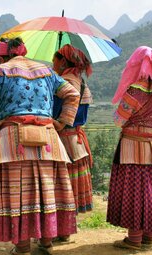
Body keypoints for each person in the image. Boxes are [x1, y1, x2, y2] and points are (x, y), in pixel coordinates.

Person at [0, 38, 80, 255]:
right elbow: (73, 94)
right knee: (46, 191)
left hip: (12, 141)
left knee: (18, 192)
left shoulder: (1, 71)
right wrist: (62, 121)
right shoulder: (47, 71)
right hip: (48, 139)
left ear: (3, 57)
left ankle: (22, 247)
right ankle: (46, 244)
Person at [106, 46, 152, 250]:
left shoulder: (137, 89)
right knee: (151, 191)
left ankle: (134, 239)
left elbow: (118, 120)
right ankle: (148, 237)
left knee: (134, 191)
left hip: (132, 148)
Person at [51, 44, 94, 243]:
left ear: (63, 61)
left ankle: (57, 231)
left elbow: (57, 111)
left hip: (62, 139)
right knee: (68, 188)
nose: (53, 64)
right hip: (76, 142)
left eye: (55, 60)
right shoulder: (81, 82)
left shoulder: (64, 82)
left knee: (59, 187)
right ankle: (65, 231)